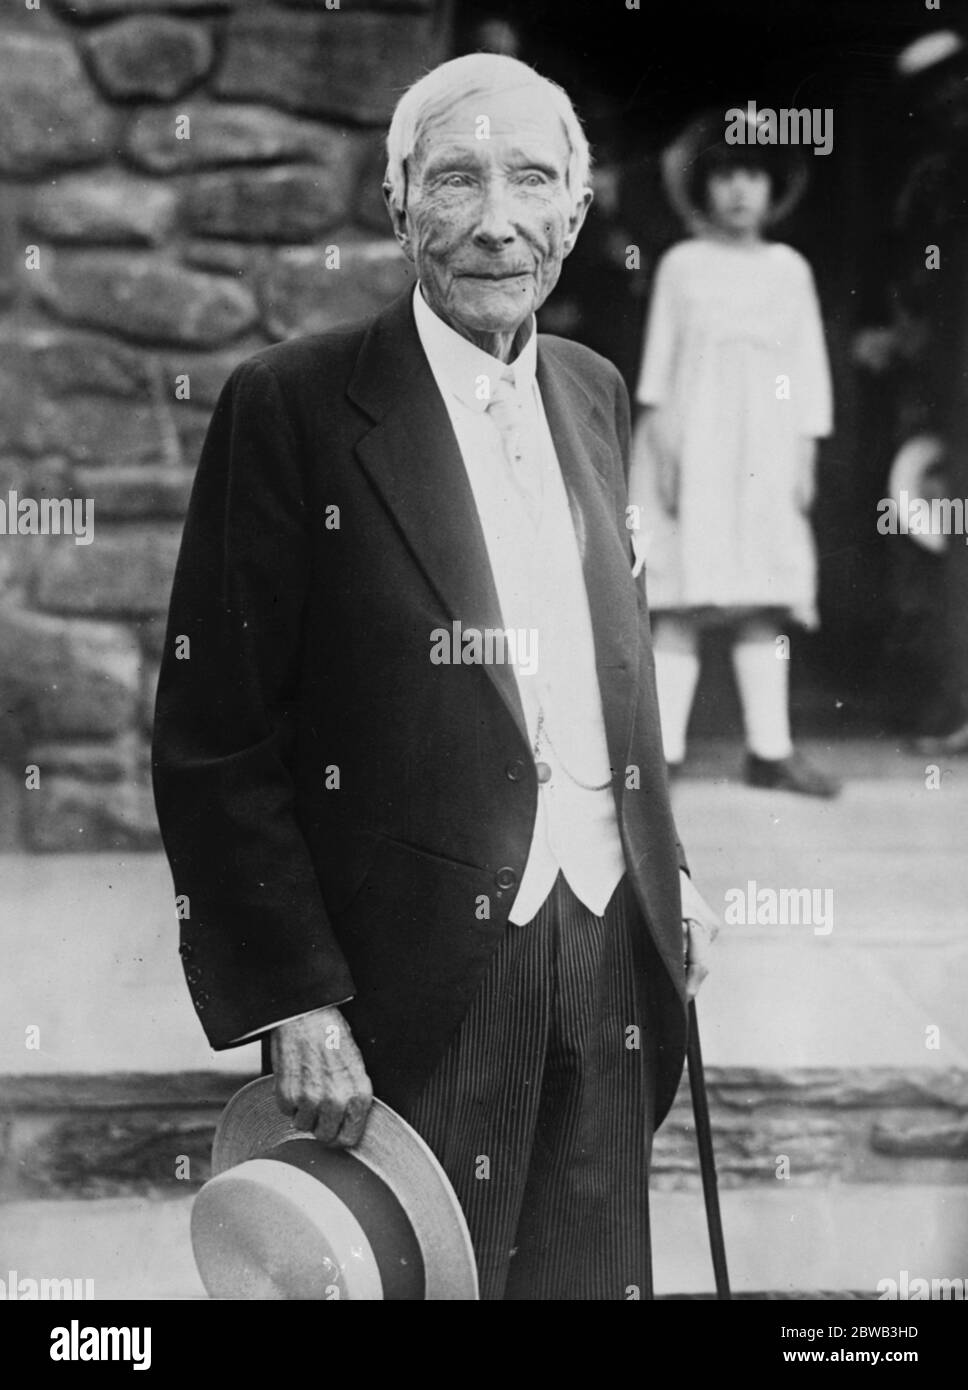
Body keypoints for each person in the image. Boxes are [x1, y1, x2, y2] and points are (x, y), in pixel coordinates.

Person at [152, 52, 719, 1302]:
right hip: (415, 976)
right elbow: (215, 735)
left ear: (576, 209)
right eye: (455, 179)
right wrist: (295, 992)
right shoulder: (291, 406)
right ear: (398, 204)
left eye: (531, 179)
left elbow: (606, 664)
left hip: (603, 945)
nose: (496, 219)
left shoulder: (590, 390)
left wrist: (661, 860)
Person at [629, 110, 838, 796]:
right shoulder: (684, 266)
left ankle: (770, 751)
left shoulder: (790, 269)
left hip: (767, 450)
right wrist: (661, 449)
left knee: (761, 600)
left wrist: (804, 455)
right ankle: (665, 754)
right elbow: (658, 369)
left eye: (751, 175)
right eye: (724, 175)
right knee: (683, 599)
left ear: (772, 187)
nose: (739, 191)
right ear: (705, 187)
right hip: (694, 447)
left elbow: (808, 368)